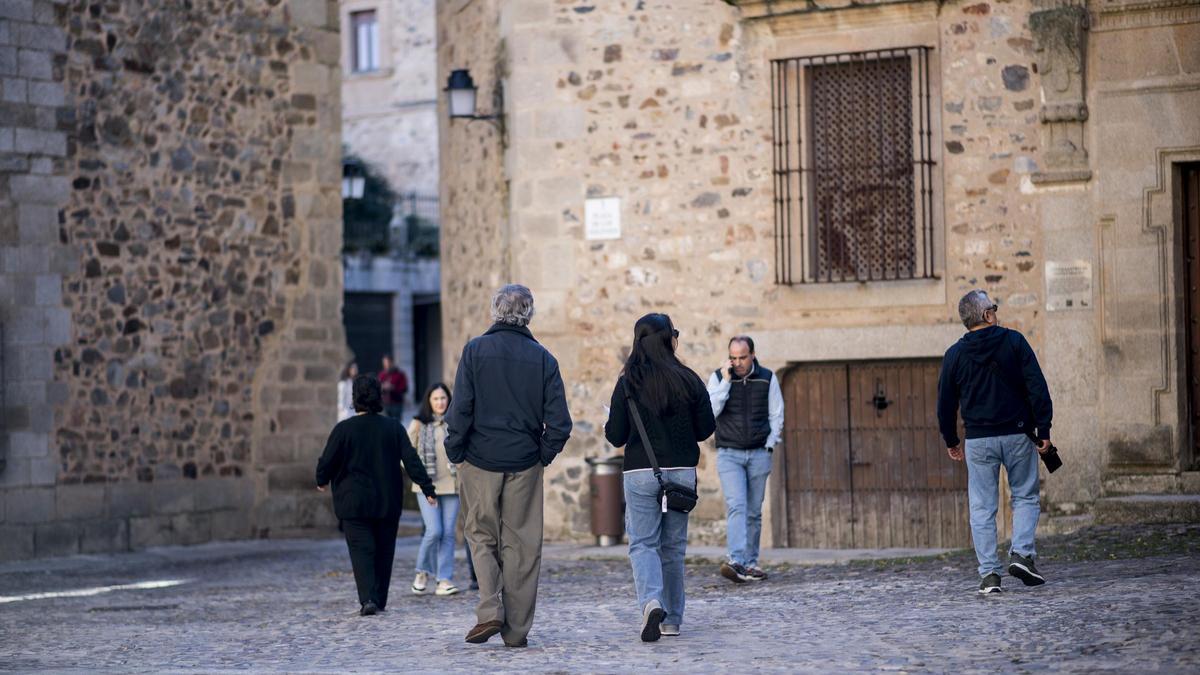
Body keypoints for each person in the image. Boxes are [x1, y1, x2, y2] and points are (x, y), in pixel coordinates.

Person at [446, 284, 572, 648]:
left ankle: (490, 610)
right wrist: (542, 455)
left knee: (480, 535)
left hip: (480, 459)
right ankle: (516, 631)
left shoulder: (474, 351)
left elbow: (461, 410)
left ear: (494, 311)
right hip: (524, 462)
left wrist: (456, 450)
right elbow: (560, 422)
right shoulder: (544, 358)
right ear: (528, 314)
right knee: (522, 545)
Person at [605, 313, 715, 642]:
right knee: (673, 547)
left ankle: (652, 602)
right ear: (669, 340)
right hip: (681, 471)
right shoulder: (689, 379)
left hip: (641, 471)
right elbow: (706, 429)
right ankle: (673, 620)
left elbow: (615, 435)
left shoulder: (628, 381)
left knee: (643, 544)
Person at [937, 290, 1054, 595]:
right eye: (994, 308)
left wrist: (951, 439)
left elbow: (945, 403)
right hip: (1017, 434)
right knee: (1026, 497)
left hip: (978, 441)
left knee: (982, 507)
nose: (996, 312)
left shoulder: (954, 355)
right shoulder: (1014, 342)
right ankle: (1021, 554)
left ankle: (989, 575)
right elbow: (1037, 387)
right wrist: (1044, 430)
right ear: (988, 315)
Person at [316, 374, 437, 616]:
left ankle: (368, 598)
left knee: (361, 550)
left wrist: (322, 479)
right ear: (379, 397)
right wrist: (427, 488)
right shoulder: (393, 427)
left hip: (353, 501)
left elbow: (327, 459)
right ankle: (379, 597)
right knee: (384, 549)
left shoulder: (344, 430)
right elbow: (411, 460)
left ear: (355, 399)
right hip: (386, 500)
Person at [706, 335, 784, 584]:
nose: (737, 362)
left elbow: (777, 413)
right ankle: (736, 559)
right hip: (730, 453)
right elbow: (711, 411)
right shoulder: (718, 378)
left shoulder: (767, 377)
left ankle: (750, 563)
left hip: (759, 452)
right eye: (733, 357)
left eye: (742, 357)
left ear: (752, 355)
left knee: (753, 512)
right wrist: (727, 383)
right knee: (737, 505)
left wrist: (770, 445)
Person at [408, 383, 460, 597]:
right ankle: (422, 572)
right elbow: (407, 454)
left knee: (448, 533)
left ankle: (444, 579)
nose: (440, 402)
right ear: (429, 401)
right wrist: (418, 473)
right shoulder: (418, 424)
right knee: (434, 531)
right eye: (436, 398)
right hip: (426, 486)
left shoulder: (456, 423)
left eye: (443, 398)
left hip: (452, 484)